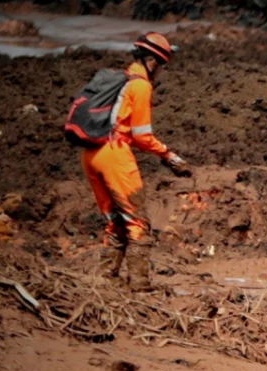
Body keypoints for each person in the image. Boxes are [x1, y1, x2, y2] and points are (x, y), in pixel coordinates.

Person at [81, 32, 189, 291]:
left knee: (115, 220)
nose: (161, 72)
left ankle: (105, 279)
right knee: (138, 221)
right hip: (114, 154)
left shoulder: (120, 80)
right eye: (162, 66)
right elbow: (142, 137)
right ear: (152, 62)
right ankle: (140, 284)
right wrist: (169, 155)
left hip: (90, 153)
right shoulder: (140, 86)